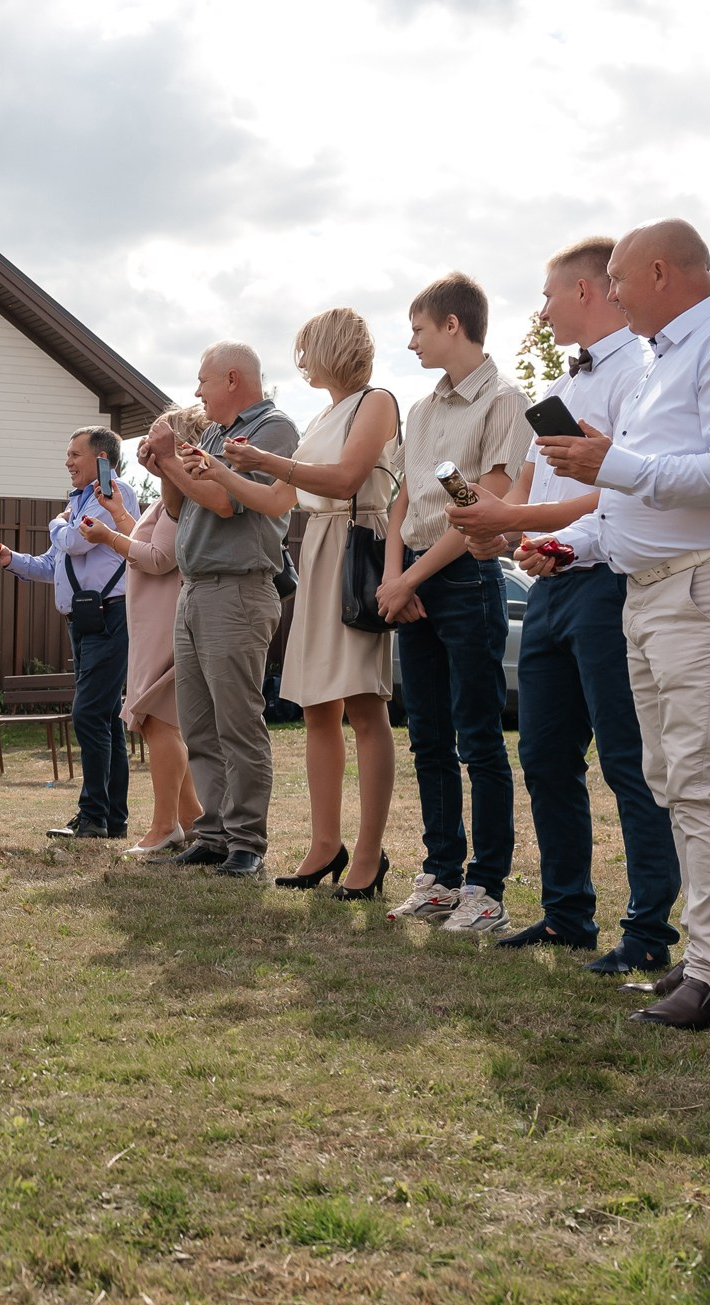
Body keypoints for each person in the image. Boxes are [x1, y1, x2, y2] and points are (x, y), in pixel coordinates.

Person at [534, 220, 710, 1029]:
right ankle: (707, 953)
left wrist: (613, 464)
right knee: (671, 773)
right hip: (653, 589)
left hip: (708, 585)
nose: (608, 294)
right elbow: (633, 499)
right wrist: (565, 545)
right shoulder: (662, 366)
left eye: (617, 278)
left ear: (657, 270)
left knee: (702, 774)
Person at [445, 237, 680, 975]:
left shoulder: (642, 376)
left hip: (608, 583)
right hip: (551, 585)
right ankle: (566, 914)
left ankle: (648, 928)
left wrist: (545, 534)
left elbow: (620, 490)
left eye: (548, 295)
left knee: (625, 757)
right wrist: (501, 525)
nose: (540, 310)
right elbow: (533, 492)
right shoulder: (563, 385)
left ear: (587, 292)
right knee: (544, 755)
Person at [221, 309, 400, 899]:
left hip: (355, 550)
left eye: (306, 350)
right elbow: (278, 502)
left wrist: (268, 459)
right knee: (317, 708)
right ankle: (326, 843)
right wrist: (221, 472)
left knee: (363, 706)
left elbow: (348, 479)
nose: (299, 363)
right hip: (319, 547)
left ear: (329, 349)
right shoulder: (323, 414)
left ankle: (370, 855)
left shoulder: (377, 402)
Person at [377, 274, 527, 934]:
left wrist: (413, 579)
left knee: (478, 738)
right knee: (430, 738)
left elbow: (484, 504)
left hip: (466, 580)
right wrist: (394, 576)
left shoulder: (505, 399)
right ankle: (439, 875)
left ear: (452, 327)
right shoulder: (421, 409)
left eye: (416, 329)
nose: (409, 342)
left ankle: (485, 887)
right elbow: (404, 500)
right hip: (412, 580)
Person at [151, 343, 300, 877]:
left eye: (203, 381)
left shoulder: (272, 430)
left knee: (238, 722)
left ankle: (246, 841)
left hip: (237, 590)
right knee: (198, 723)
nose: (196, 392)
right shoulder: (213, 434)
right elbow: (180, 505)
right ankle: (213, 834)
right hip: (196, 590)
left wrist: (171, 457)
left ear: (233, 378)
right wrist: (165, 468)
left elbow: (225, 502)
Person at [0, 427, 140, 841]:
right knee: (104, 717)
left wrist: (57, 521)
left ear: (101, 459)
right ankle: (112, 819)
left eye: (75, 454)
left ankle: (92, 816)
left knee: (89, 713)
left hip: (111, 615)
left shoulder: (114, 494)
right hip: (85, 621)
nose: (67, 462)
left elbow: (72, 542)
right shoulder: (79, 502)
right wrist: (10, 559)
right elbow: (52, 564)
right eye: (67, 455)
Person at [77, 407, 203, 856]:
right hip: (151, 621)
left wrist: (108, 539)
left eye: (153, 436)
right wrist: (117, 516)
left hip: (165, 622)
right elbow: (153, 546)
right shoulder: (167, 495)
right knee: (157, 720)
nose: (144, 446)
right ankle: (192, 822)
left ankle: (165, 824)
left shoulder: (182, 495)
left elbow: (158, 560)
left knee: (158, 721)